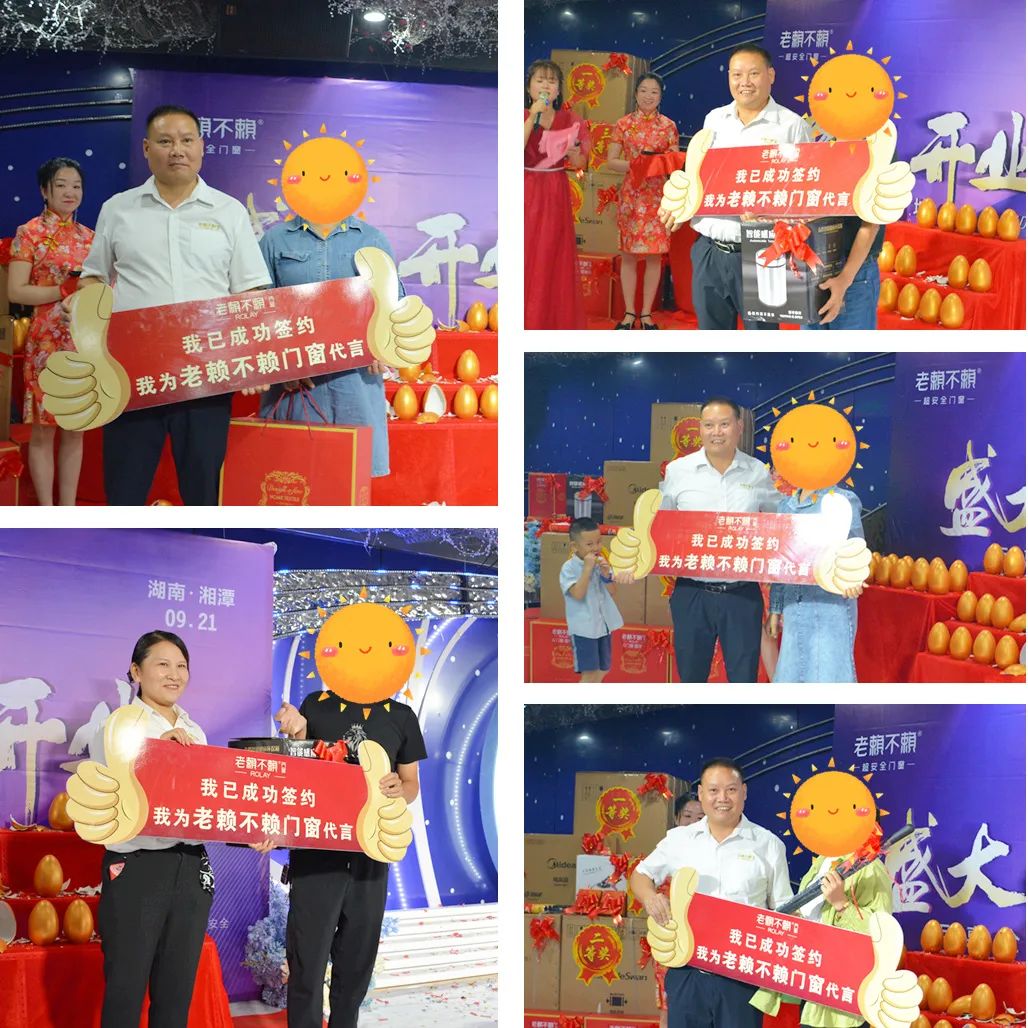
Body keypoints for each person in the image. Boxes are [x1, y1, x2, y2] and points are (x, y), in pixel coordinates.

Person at [75, 104, 272, 505]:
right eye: (165, 141)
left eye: (186, 140)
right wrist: (86, 307)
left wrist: (253, 357)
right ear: (147, 149)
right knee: (124, 489)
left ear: (202, 146)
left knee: (202, 491)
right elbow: (93, 277)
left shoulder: (229, 211)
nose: (177, 150)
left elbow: (249, 292)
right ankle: (121, 548)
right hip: (132, 373)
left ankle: (200, 547)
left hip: (207, 372)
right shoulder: (118, 209)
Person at [275, 684, 427, 1027]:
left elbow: (411, 784)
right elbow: (298, 768)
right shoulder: (316, 705)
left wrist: (397, 789)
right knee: (306, 962)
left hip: (370, 858)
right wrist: (296, 732)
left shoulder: (401, 716)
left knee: (356, 963)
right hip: (317, 854)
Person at [89, 631, 214, 1028]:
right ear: (136, 671)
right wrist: (157, 751)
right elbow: (119, 788)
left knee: (176, 992)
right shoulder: (117, 726)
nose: (174, 674)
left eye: (181, 666)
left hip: (191, 867)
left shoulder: (196, 732)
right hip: (137, 867)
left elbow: (208, 802)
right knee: (125, 989)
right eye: (162, 664)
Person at [630, 758, 792, 1028]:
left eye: (731, 790)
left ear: (744, 792)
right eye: (714, 790)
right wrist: (650, 897)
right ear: (701, 793)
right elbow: (640, 875)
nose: (722, 798)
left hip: (742, 976)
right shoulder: (679, 839)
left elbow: (783, 909)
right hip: (687, 970)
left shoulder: (768, 844)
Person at [663, 44, 812, 330]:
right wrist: (680, 204)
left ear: (771, 75)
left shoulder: (792, 126)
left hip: (761, 252)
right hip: (709, 250)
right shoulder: (714, 120)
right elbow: (699, 176)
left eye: (754, 73)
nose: (745, 82)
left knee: (761, 342)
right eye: (737, 74)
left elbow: (805, 194)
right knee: (713, 339)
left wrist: (770, 213)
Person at [660, 397, 780, 682]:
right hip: (692, 592)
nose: (716, 432)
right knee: (691, 679)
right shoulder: (678, 471)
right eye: (709, 425)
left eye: (724, 424)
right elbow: (662, 526)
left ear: (739, 427)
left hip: (742, 595)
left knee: (743, 679)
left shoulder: (757, 472)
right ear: (700, 428)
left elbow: (778, 523)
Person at [7, 158, 94, 505]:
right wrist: (61, 290)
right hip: (45, 342)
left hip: (82, 342)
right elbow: (16, 291)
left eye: (76, 186)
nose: (70, 192)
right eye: (61, 185)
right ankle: (46, 510)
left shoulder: (91, 237)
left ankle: (68, 509)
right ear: (45, 190)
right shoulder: (28, 233)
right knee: (43, 431)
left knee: (75, 429)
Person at [751, 838, 892, 1026]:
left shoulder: (870, 867)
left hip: (838, 991)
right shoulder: (823, 861)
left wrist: (842, 904)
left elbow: (882, 933)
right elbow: (813, 917)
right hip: (807, 976)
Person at [765, 487, 865, 682]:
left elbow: (854, 550)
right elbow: (781, 562)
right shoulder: (785, 506)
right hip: (793, 607)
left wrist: (852, 577)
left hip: (829, 607)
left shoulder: (842, 500)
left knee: (828, 674)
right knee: (791, 673)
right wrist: (775, 609)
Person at [605, 73, 679, 329]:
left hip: (658, 196)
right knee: (628, 254)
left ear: (661, 97)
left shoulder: (668, 126)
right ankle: (629, 313)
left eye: (654, 92)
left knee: (654, 256)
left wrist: (657, 164)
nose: (649, 96)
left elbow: (673, 163)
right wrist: (636, 165)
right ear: (635, 94)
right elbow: (611, 161)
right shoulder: (623, 124)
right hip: (632, 196)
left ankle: (646, 314)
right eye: (644, 90)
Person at [524, 59, 589, 330]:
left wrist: (575, 155)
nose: (546, 86)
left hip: (555, 191)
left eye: (551, 81)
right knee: (527, 252)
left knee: (552, 255)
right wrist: (532, 116)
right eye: (540, 80)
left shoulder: (572, 120)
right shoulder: (520, 115)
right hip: (527, 188)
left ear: (559, 89)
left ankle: (549, 320)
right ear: (529, 87)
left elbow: (582, 162)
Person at [560, 516, 624, 682]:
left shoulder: (600, 563)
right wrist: (587, 569)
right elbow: (578, 594)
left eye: (598, 542)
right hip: (584, 630)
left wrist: (606, 575)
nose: (596, 547)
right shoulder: (569, 568)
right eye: (589, 544)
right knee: (590, 674)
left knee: (603, 670)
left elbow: (612, 591)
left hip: (603, 626)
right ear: (574, 546)